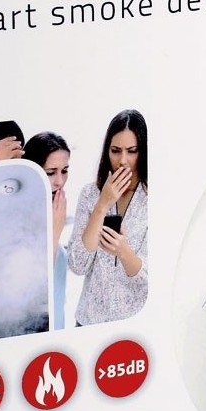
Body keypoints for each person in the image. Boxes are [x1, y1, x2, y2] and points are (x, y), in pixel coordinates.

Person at [68, 110, 148, 326]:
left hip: (133, 325)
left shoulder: (152, 199)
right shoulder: (90, 194)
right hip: (88, 323)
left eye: (132, 151)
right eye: (115, 151)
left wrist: (123, 251)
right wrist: (102, 205)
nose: (123, 161)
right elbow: (77, 265)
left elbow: (148, 279)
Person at [24, 131, 71, 330]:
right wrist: (55, 232)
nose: (59, 181)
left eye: (64, 170)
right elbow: (32, 291)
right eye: (50, 172)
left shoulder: (58, 215)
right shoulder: (20, 222)